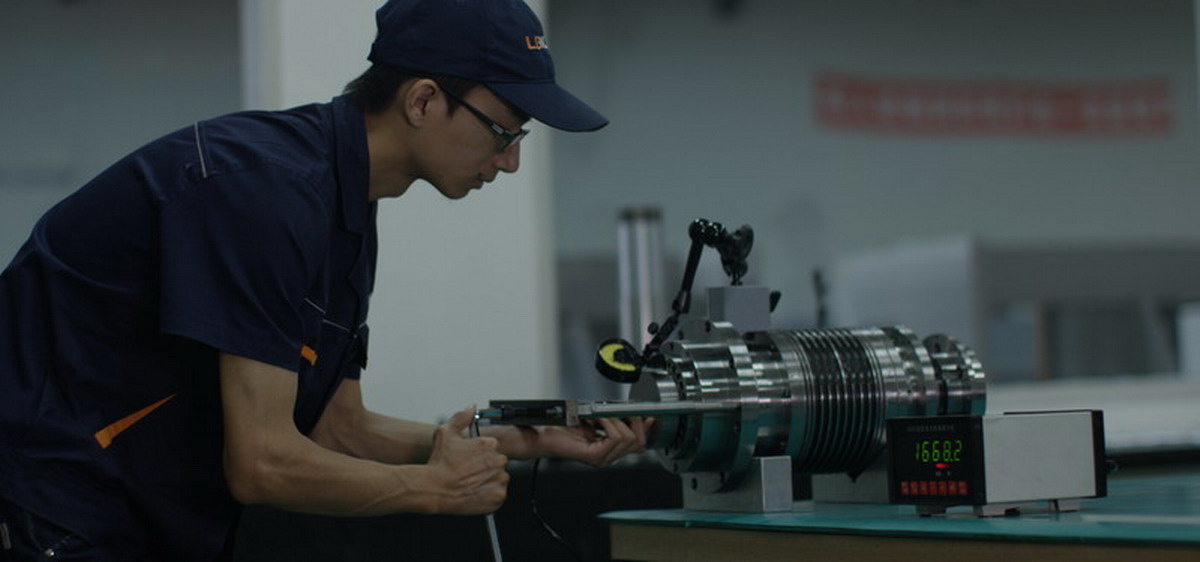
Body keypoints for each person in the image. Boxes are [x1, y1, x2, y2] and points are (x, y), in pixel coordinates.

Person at [0, 0, 651, 559]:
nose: (509, 162)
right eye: (504, 131)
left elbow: (337, 427)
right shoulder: (263, 193)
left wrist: (521, 441)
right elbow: (262, 462)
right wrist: (431, 488)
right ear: (423, 100)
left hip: (123, 512)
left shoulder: (344, 204)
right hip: (49, 503)